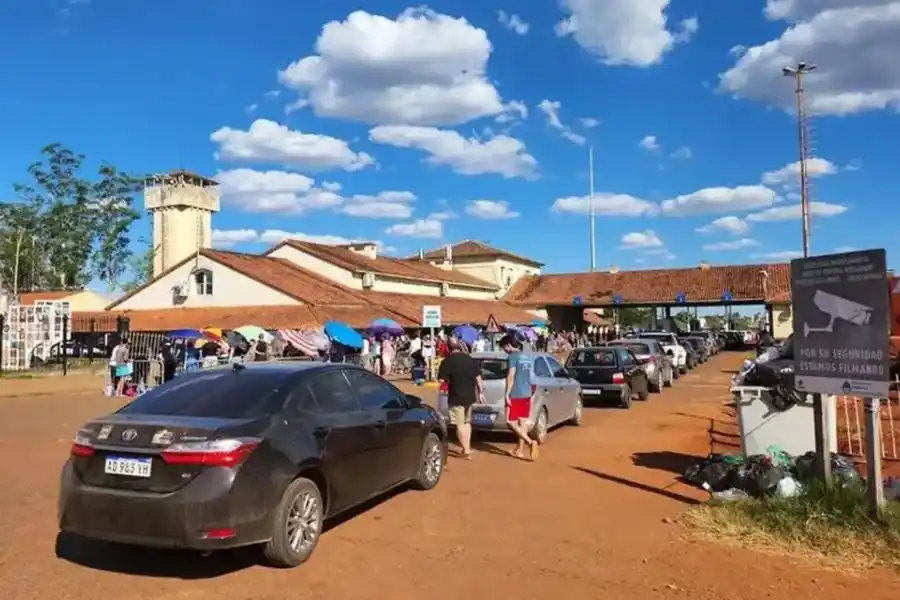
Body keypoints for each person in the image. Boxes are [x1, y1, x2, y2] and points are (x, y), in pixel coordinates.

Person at [438, 338, 483, 458]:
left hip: (456, 396)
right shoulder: (470, 359)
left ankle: (466, 450)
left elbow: (442, 380)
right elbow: (478, 378)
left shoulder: (447, 361)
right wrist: (481, 393)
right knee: (467, 422)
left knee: (459, 424)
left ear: (448, 348)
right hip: (470, 396)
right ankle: (467, 447)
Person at [500, 333, 538, 460]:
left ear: (509, 345)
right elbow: (531, 376)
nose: (504, 350)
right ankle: (519, 450)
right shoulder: (527, 356)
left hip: (516, 393)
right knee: (522, 422)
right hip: (527, 392)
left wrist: (506, 393)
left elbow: (511, 375)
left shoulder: (513, 357)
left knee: (510, 421)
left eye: (504, 347)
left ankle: (529, 441)